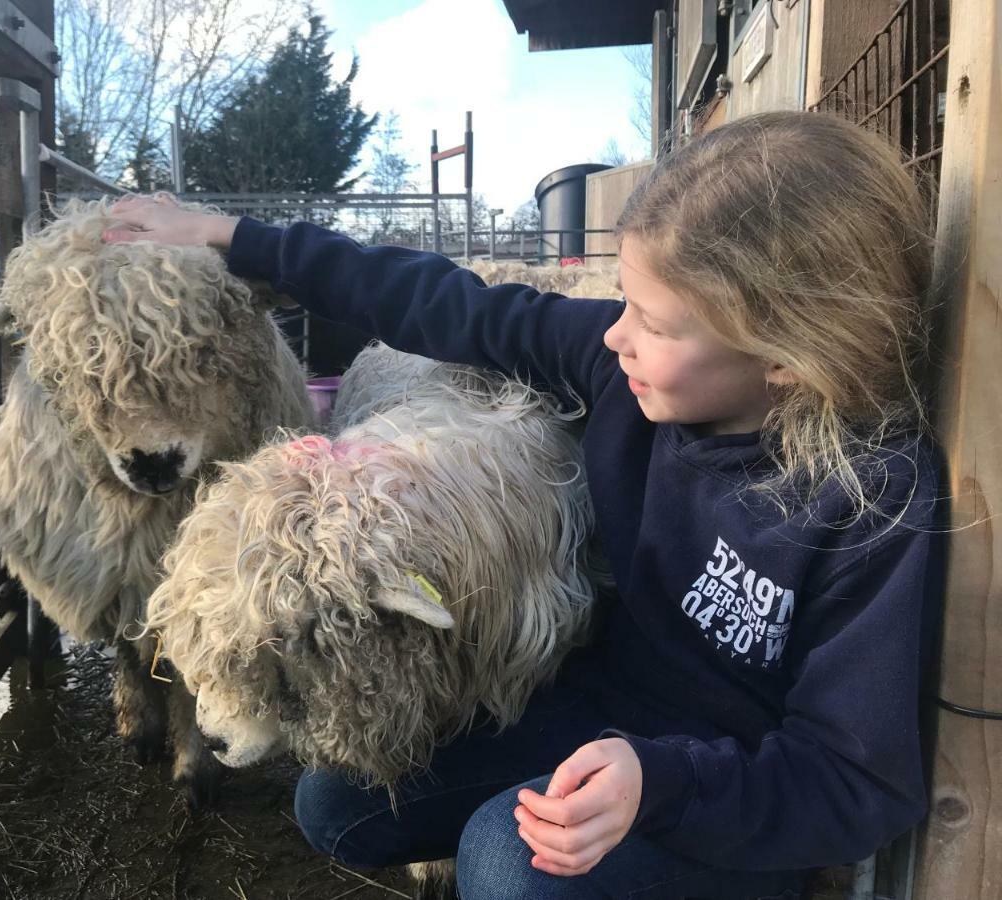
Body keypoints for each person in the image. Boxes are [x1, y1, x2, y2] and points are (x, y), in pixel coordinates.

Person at [102, 111, 946, 900]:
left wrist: (662, 783)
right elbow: (445, 304)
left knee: (503, 862)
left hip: (736, 796)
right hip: (608, 713)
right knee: (336, 807)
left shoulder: (871, 497)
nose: (616, 334)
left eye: (650, 320)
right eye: (621, 302)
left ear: (785, 355)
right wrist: (231, 236)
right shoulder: (624, 374)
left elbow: (858, 778)